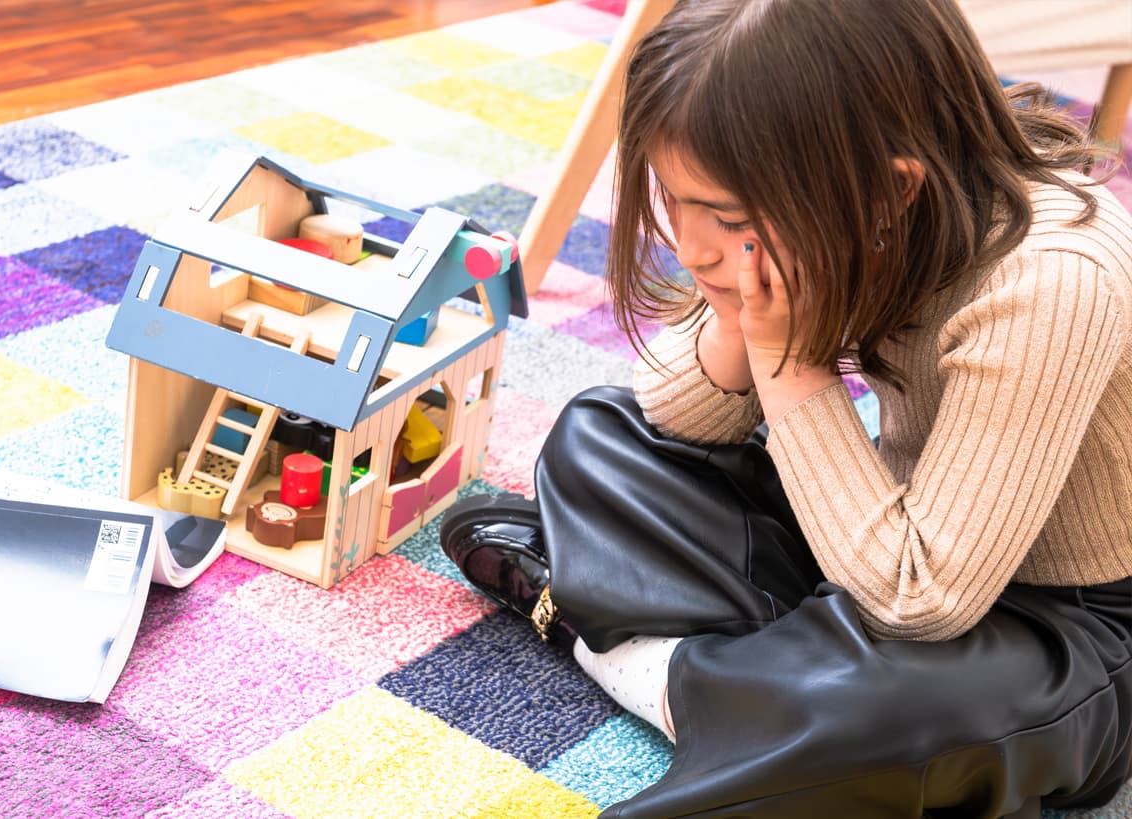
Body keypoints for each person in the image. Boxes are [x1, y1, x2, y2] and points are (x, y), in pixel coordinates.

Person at [439, 0, 1132, 815]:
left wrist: (792, 364)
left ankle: (625, 650)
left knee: (884, 713)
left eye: (726, 217)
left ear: (889, 191)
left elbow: (922, 598)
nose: (692, 246)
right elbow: (670, 414)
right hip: (883, 547)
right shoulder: (844, 215)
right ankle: (756, 688)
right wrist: (737, 323)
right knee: (599, 435)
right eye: (675, 198)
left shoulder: (1053, 275)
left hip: (1059, 626)